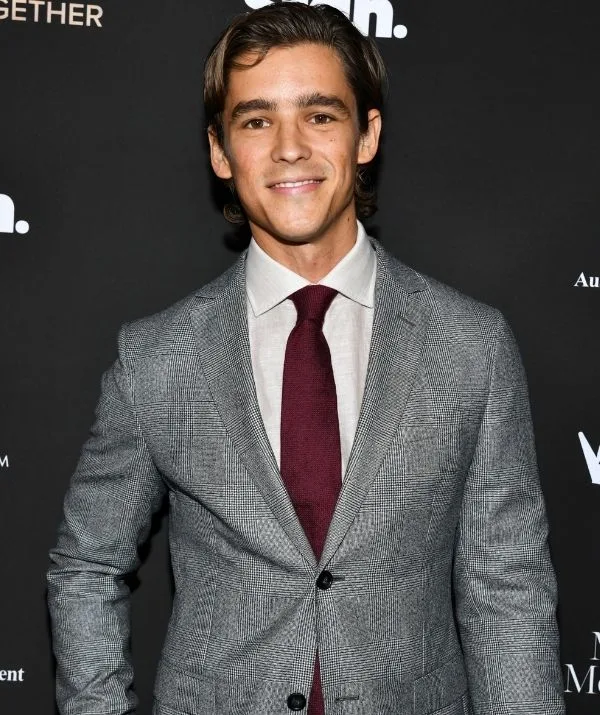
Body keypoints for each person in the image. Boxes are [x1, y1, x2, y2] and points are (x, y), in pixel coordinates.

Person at [47, 4, 565, 714]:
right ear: (220, 152)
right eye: (257, 120)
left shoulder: (470, 344)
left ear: (366, 135)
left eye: (319, 115)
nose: (289, 147)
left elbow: (507, 585)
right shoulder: (157, 358)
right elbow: (86, 564)